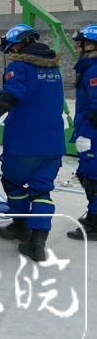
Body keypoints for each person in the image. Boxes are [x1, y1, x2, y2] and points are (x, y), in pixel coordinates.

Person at [0, 23, 65, 262]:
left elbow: (14, 94)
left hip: (24, 143)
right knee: (42, 190)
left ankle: (20, 227)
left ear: (19, 44)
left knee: (14, 184)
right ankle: (37, 242)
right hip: (53, 144)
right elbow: (32, 91)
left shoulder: (19, 66)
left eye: (12, 48)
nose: (11, 53)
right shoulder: (54, 68)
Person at [67, 24, 97, 241]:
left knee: (92, 177)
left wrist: (87, 134)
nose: (76, 48)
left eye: (80, 44)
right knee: (84, 174)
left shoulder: (95, 70)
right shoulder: (87, 67)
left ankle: (95, 223)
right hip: (87, 129)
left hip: (93, 133)